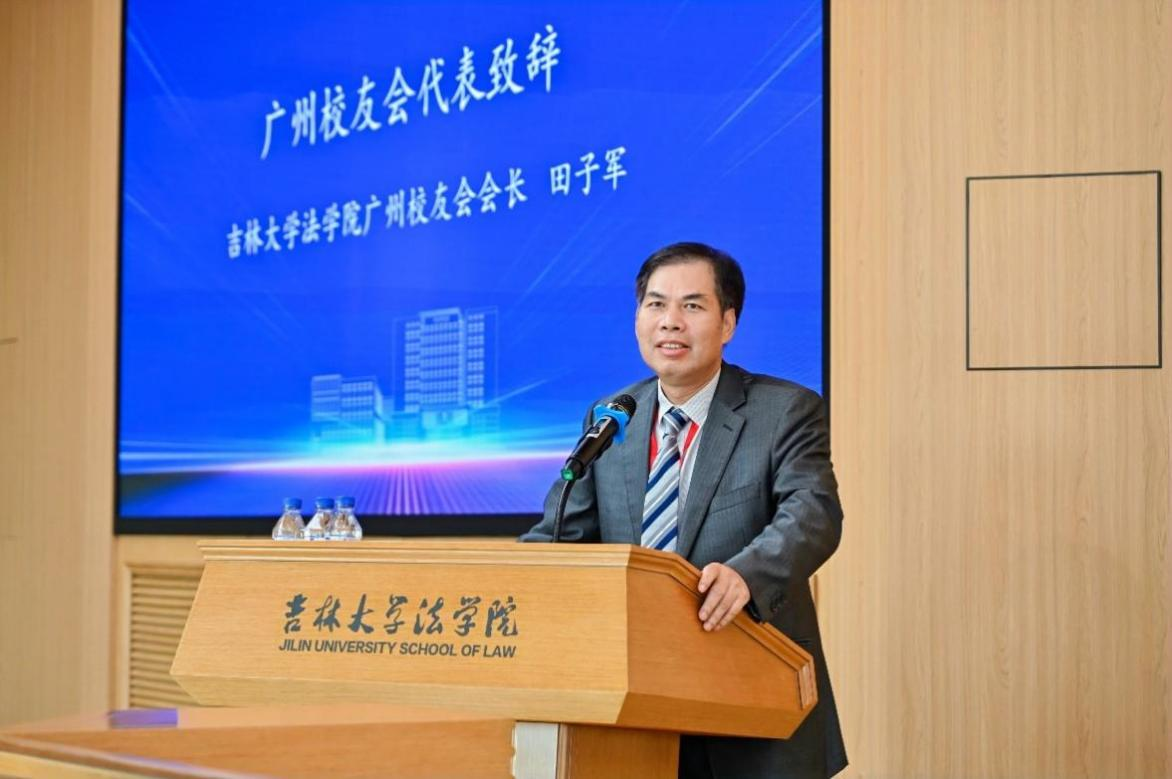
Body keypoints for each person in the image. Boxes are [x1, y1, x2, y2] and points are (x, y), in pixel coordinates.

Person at [521, 242, 847, 779]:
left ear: (728, 323)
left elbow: (813, 513)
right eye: (656, 304)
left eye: (692, 306)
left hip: (750, 691)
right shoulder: (611, 417)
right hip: (633, 703)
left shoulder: (784, 410)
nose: (670, 321)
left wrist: (747, 575)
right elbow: (561, 535)